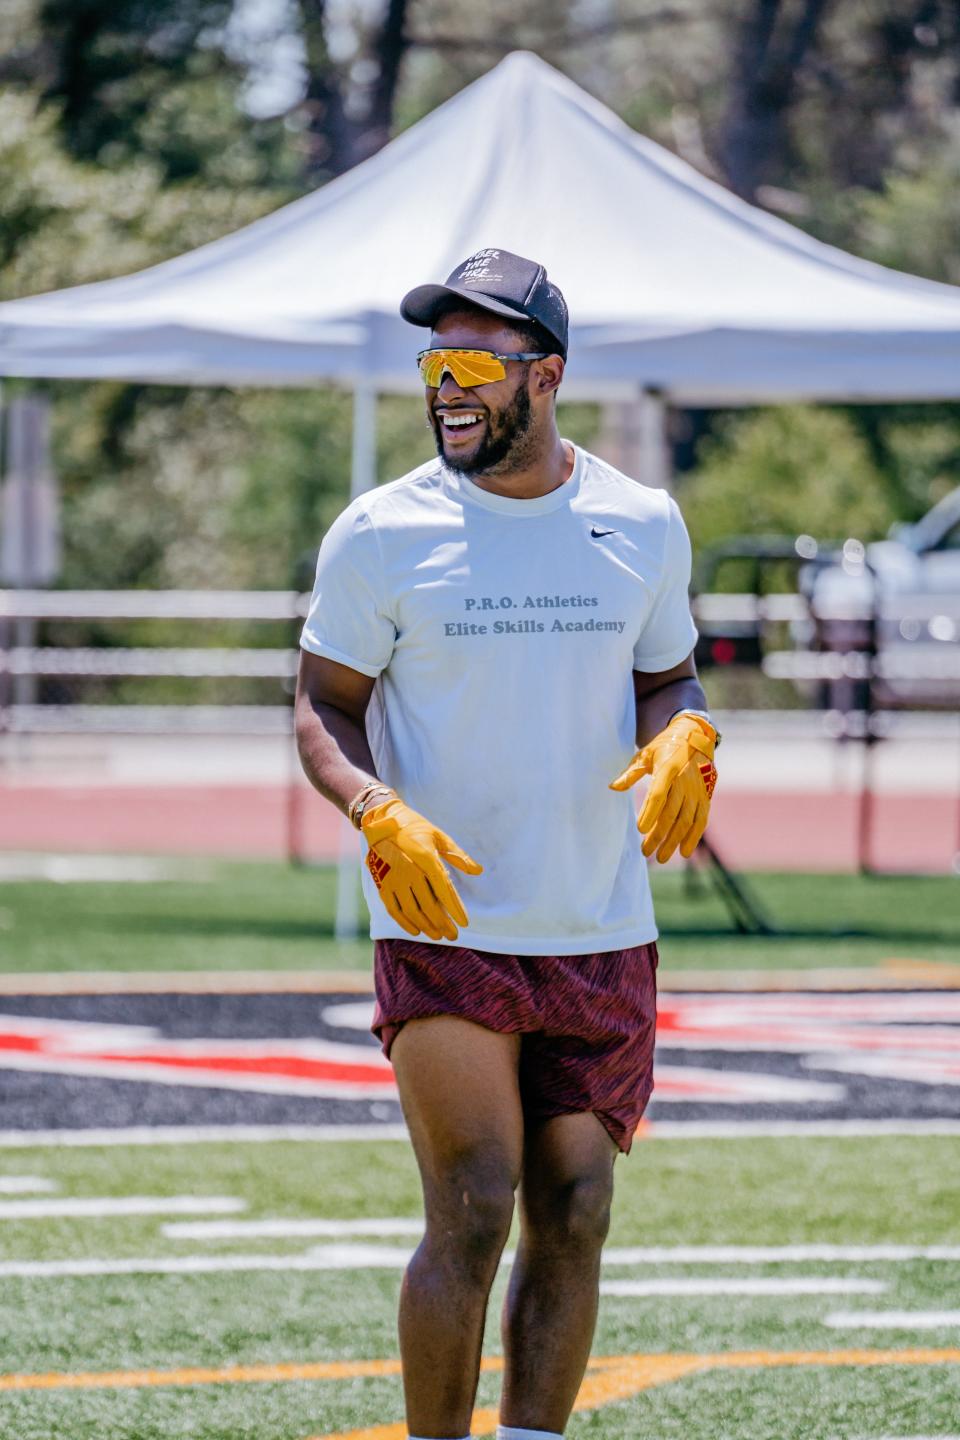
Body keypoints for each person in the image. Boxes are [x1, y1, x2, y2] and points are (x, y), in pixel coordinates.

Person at [295, 248, 718, 1440]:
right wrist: (373, 809)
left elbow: (667, 672)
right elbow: (322, 702)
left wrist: (686, 732)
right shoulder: (379, 532)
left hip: (600, 923)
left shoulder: (644, 522)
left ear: (548, 377)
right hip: (444, 921)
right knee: (475, 1205)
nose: (447, 387)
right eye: (435, 362)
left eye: (475, 361)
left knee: (576, 1207)